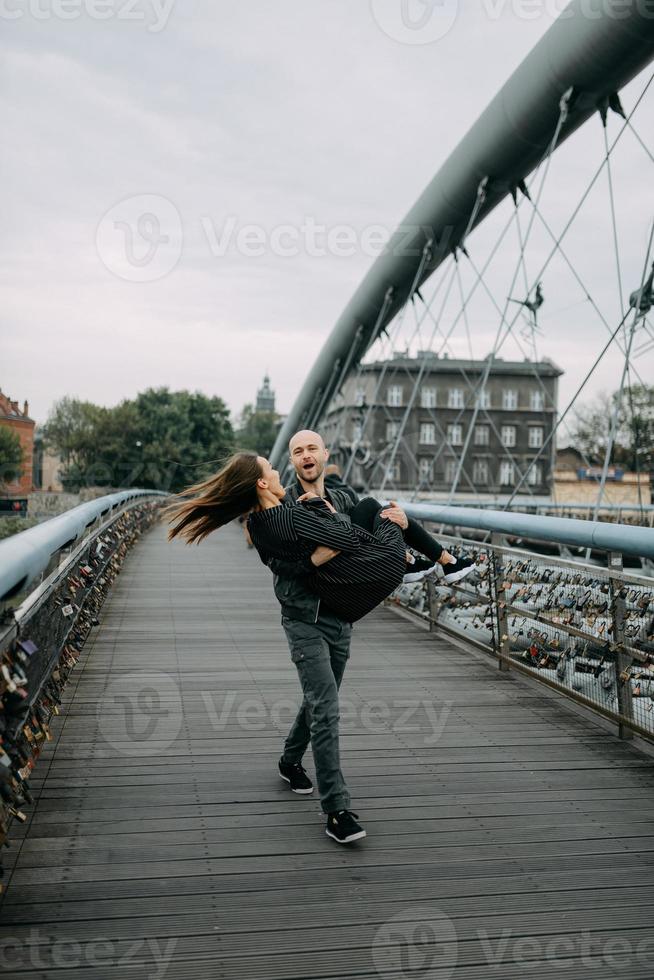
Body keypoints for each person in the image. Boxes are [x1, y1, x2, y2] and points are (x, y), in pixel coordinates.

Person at [165, 436, 473, 845]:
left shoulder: (341, 495)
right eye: (294, 454)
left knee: (319, 699)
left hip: (341, 612)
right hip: (304, 618)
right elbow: (290, 565)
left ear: (326, 456)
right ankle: (336, 810)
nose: (302, 458)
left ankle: (290, 759)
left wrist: (387, 525)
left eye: (313, 449)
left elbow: (349, 537)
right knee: (326, 708)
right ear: (286, 466)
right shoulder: (280, 511)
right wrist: (341, 543)